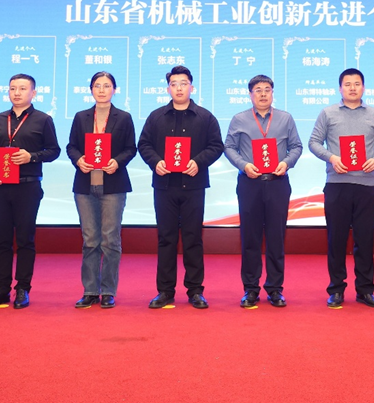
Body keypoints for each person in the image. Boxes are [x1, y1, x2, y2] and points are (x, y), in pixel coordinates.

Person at [138, 65, 224, 309]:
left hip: (193, 185)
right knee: (165, 238)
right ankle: (165, 291)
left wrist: (199, 162)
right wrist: (156, 162)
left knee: (192, 238)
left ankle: (195, 290)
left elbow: (216, 146)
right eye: (174, 84)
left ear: (191, 87)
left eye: (183, 83)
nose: (179, 88)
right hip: (164, 186)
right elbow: (143, 144)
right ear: (168, 89)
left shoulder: (205, 117)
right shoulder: (156, 117)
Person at [309, 68, 374, 309]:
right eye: (347, 84)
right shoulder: (328, 113)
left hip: (367, 186)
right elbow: (314, 142)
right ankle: (336, 289)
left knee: (365, 241)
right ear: (340, 88)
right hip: (337, 185)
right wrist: (332, 157)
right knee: (336, 240)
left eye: (357, 84)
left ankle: (365, 290)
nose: (352, 88)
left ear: (363, 87)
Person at [0, 74, 60, 310]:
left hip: (28, 186)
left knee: (25, 239)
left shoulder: (43, 119)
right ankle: (1, 290)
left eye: (23, 88)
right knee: (1, 240)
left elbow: (54, 151)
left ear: (33, 93)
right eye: (13, 88)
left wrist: (31, 157)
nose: (16, 92)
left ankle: (23, 288)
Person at [224, 74, 302, 308]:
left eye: (267, 89)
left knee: (276, 237)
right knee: (250, 238)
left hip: (277, 182)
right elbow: (229, 147)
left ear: (272, 93)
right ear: (250, 94)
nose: (263, 94)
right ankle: (250, 289)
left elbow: (296, 146)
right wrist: (243, 165)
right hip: (250, 183)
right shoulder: (239, 119)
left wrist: (286, 163)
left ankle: (275, 289)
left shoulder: (285, 118)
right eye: (258, 90)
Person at [66, 72, 137, 309]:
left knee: (110, 239)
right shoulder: (81, 117)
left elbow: (131, 148)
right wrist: (79, 160)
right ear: (91, 90)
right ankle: (89, 291)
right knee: (90, 240)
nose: (102, 90)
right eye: (97, 86)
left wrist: (117, 161)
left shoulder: (123, 117)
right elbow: (71, 146)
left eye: (107, 86)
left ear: (114, 90)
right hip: (85, 185)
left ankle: (108, 290)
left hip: (113, 185)